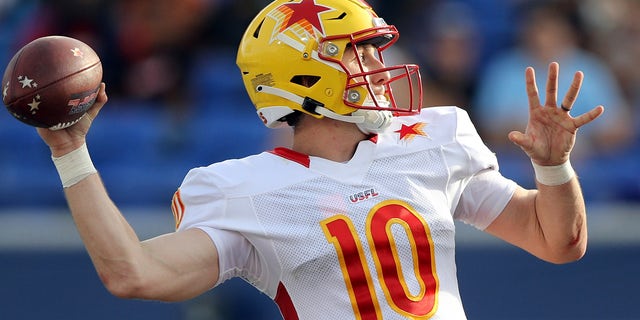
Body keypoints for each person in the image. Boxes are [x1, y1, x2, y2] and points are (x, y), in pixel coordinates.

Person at [35, 0, 603, 319]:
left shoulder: (436, 136)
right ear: (304, 77)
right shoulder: (243, 190)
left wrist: (553, 169)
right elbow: (132, 274)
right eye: (359, 53)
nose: (379, 67)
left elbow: (556, 241)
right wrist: (71, 151)